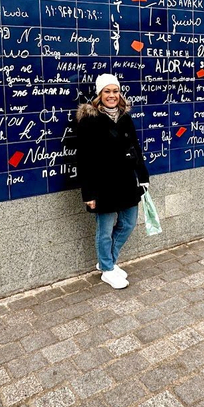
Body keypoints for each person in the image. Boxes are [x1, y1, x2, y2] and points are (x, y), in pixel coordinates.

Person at [74, 74, 150, 289]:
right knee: (105, 230)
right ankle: (107, 269)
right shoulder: (89, 120)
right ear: (100, 94)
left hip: (126, 181)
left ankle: (107, 261)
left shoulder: (125, 117)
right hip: (102, 185)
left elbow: (135, 148)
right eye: (107, 91)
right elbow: (84, 159)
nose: (112, 95)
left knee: (128, 223)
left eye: (115, 91)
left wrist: (143, 176)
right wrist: (88, 194)